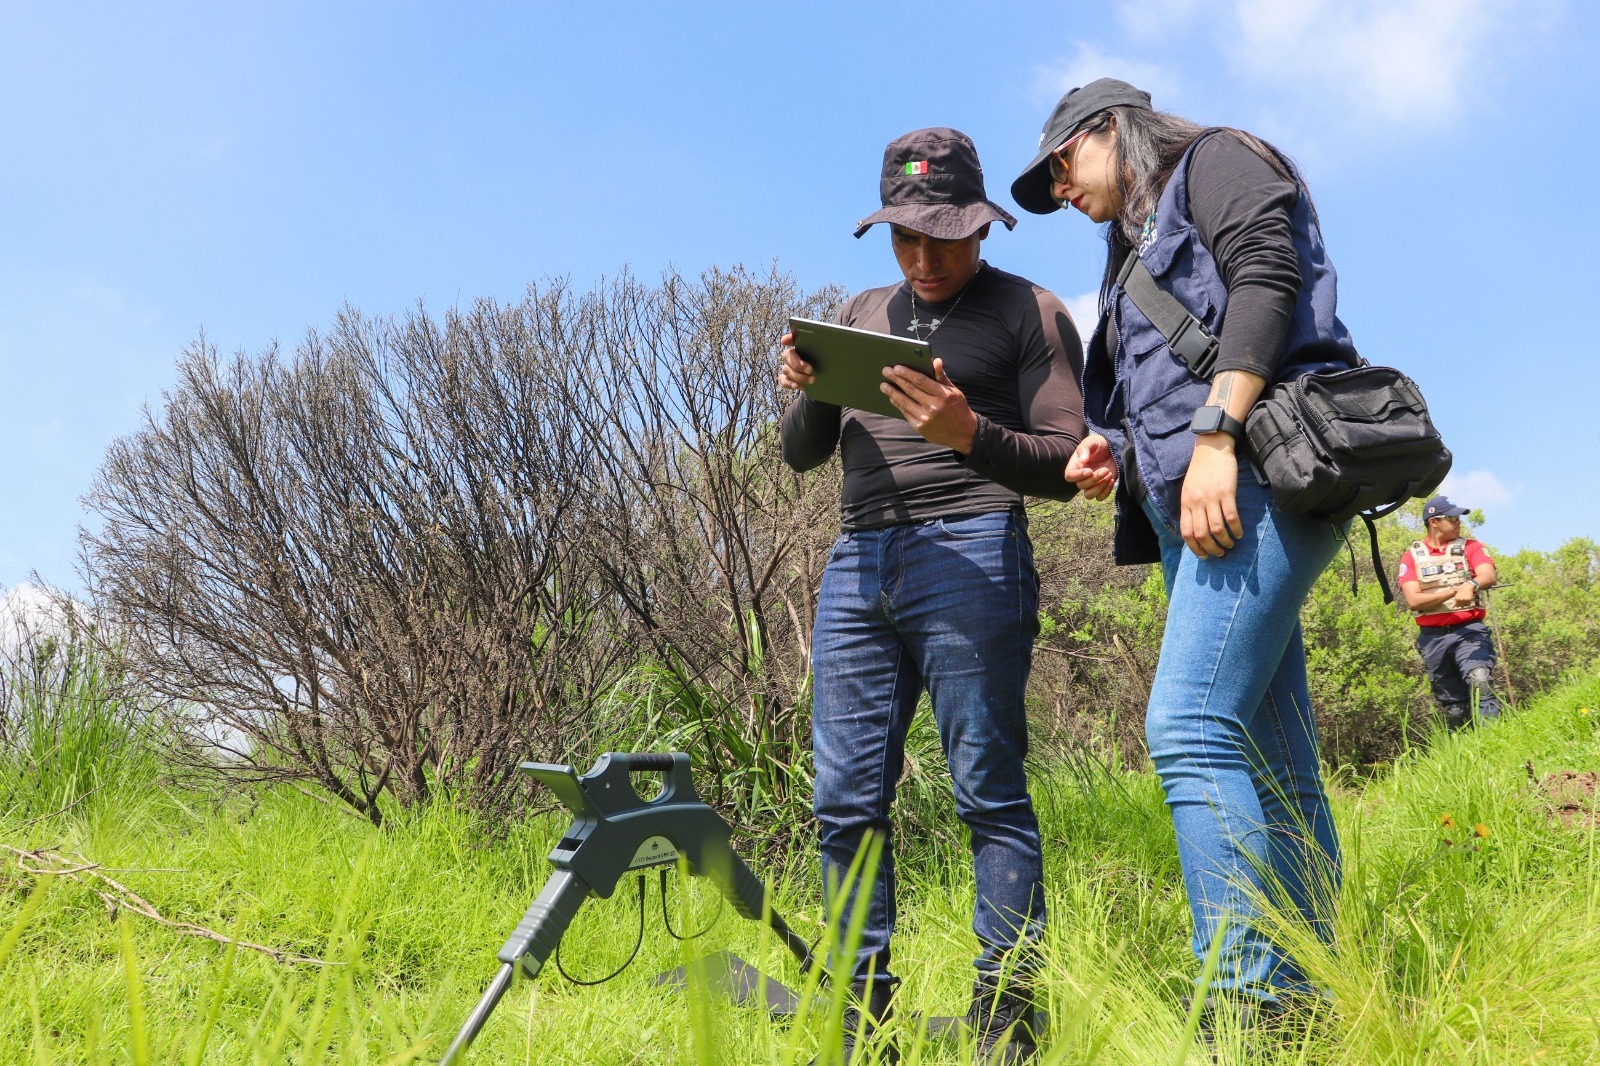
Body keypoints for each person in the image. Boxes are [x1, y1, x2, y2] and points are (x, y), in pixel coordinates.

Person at [1010, 79, 1355, 1022]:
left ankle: (1246, 1009)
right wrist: (1107, 451)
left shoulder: (1222, 159)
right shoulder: (1125, 254)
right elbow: (1143, 394)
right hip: (1185, 510)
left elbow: (1267, 281)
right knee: (1274, 760)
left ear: (1107, 132)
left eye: (1061, 166)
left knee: (1189, 729)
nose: (1061, 189)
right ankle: (1317, 987)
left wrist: (1215, 435)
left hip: (1250, 479)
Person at [779, 127, 1085, 1062]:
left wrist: (966, 434)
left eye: (944, 236)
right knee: (843, 800)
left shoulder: (1030, 310)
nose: (925, 257)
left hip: (975, 547)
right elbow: (803, 454)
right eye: (908, 237)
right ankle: (862, 1019)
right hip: (860, 561)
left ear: (983, 226)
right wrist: (806, 388)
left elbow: (1066, 466)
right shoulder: (862, 308)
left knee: (987, 791)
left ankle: (1007, 1018)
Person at [1396, 495, 1502, 730]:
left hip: (1469, 630)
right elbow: (1414, 600)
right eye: (1452, 518)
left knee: (1480, 679)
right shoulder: (1411, 556)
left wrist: (1472, 585)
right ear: (1434, 521)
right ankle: (1465, 750)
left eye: (1458, 518)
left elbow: (1487, 575)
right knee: (1455, 708)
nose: (1458, 522)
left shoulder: (1471, 547)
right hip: (1433, 638)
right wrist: (1455, 590)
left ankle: (1494, 740)